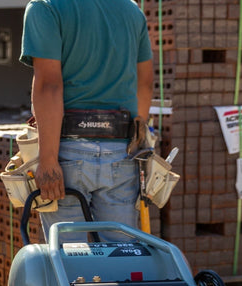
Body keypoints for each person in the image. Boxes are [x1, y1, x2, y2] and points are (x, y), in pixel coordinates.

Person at [20, 0, 154, 242]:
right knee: (121, 254)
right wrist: (136, 141)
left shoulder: (46, 7)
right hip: (121, 151)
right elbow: (144, 84)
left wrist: (48, 160)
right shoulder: (131, 10)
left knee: (71, 258)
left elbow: (49, 85)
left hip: (67, 151)